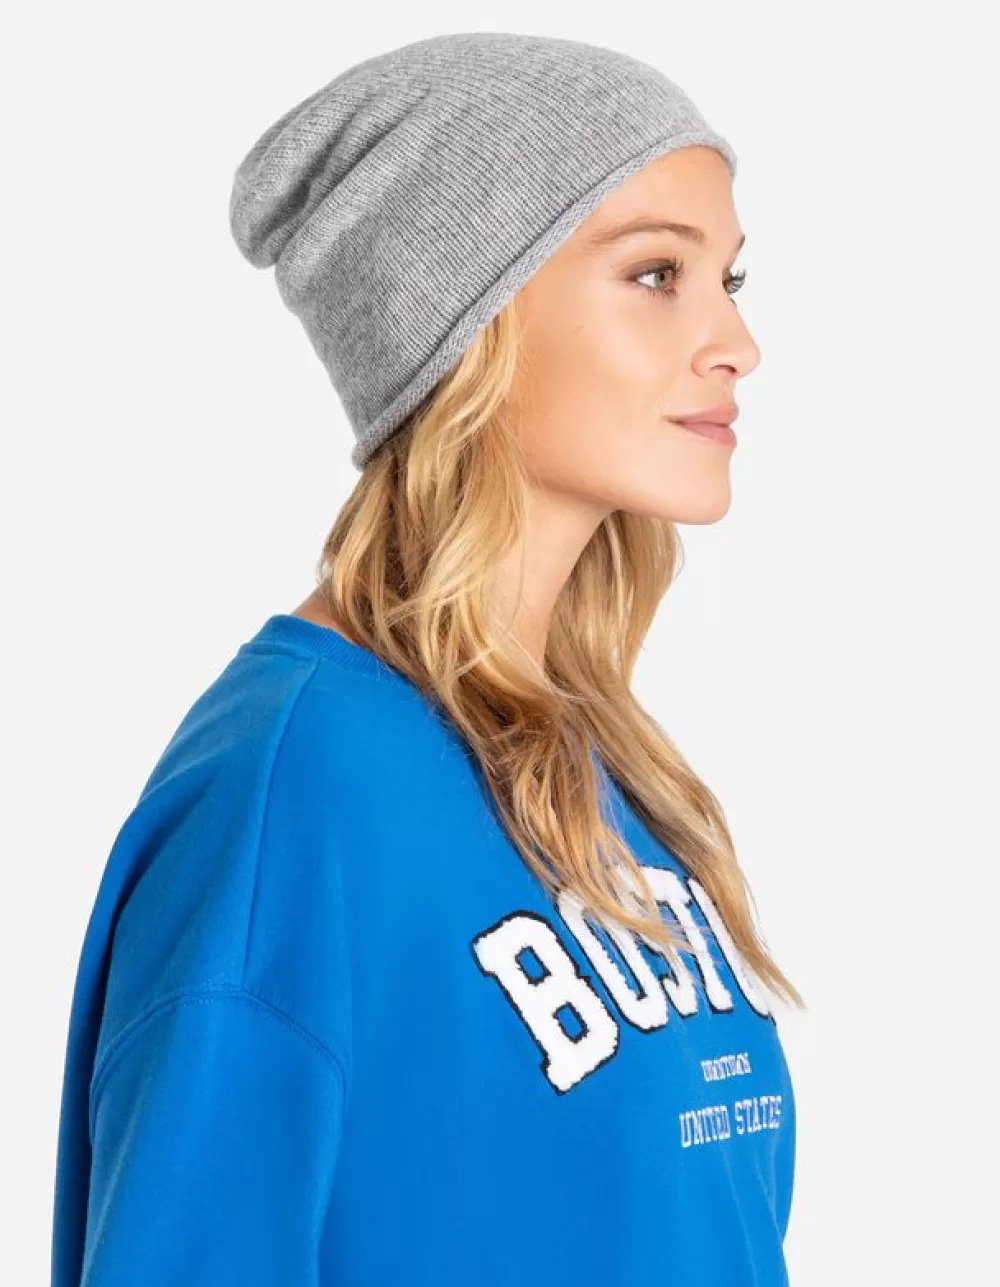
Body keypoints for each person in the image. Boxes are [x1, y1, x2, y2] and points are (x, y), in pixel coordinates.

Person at [50, 30, 804, 1287]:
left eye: (730, 278)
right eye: (657, 274)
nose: (737, 342)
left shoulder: (593, 763)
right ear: (467, 322)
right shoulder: (288, 797)